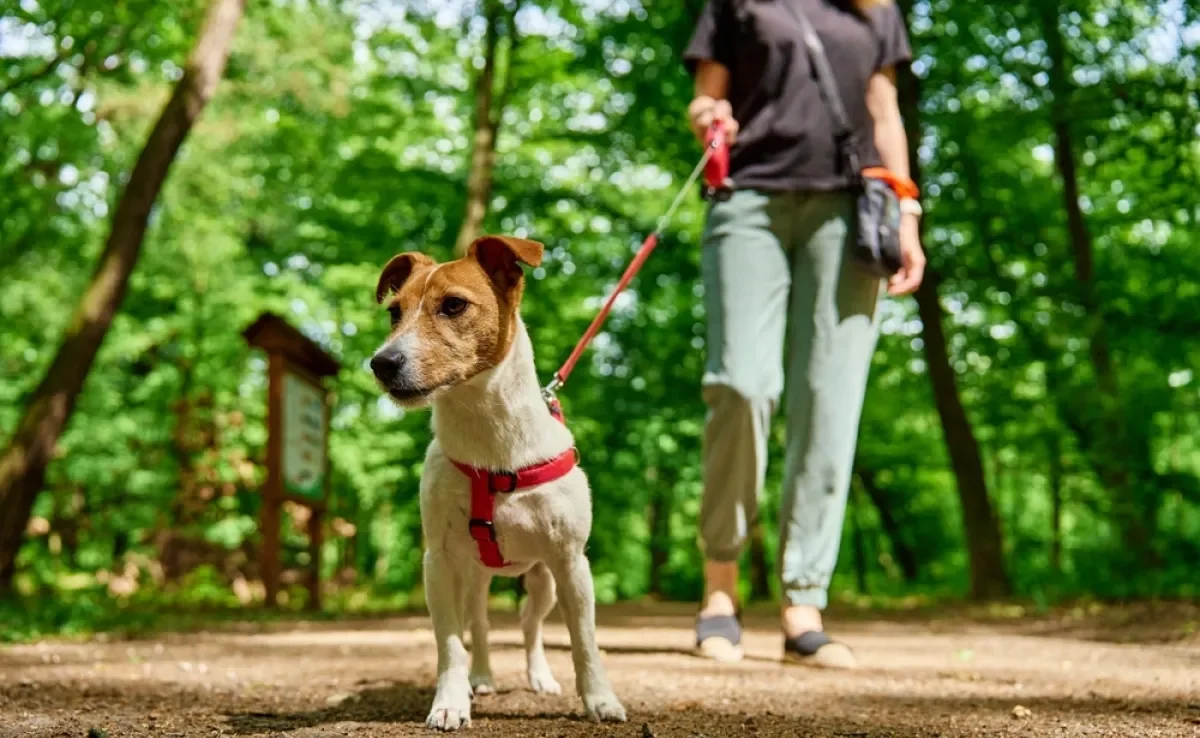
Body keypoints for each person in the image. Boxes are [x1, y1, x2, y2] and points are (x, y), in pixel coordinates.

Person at [682, 0, 925, 668]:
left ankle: (803, 605)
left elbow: (885, 113)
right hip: (748, 199)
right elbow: (705, 98)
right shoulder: (738, 3)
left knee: (830, 401)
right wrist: (710, 118)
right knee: (740, 385)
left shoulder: (876, 9)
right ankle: (721, 591)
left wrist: (908, 213)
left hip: (851, 208)